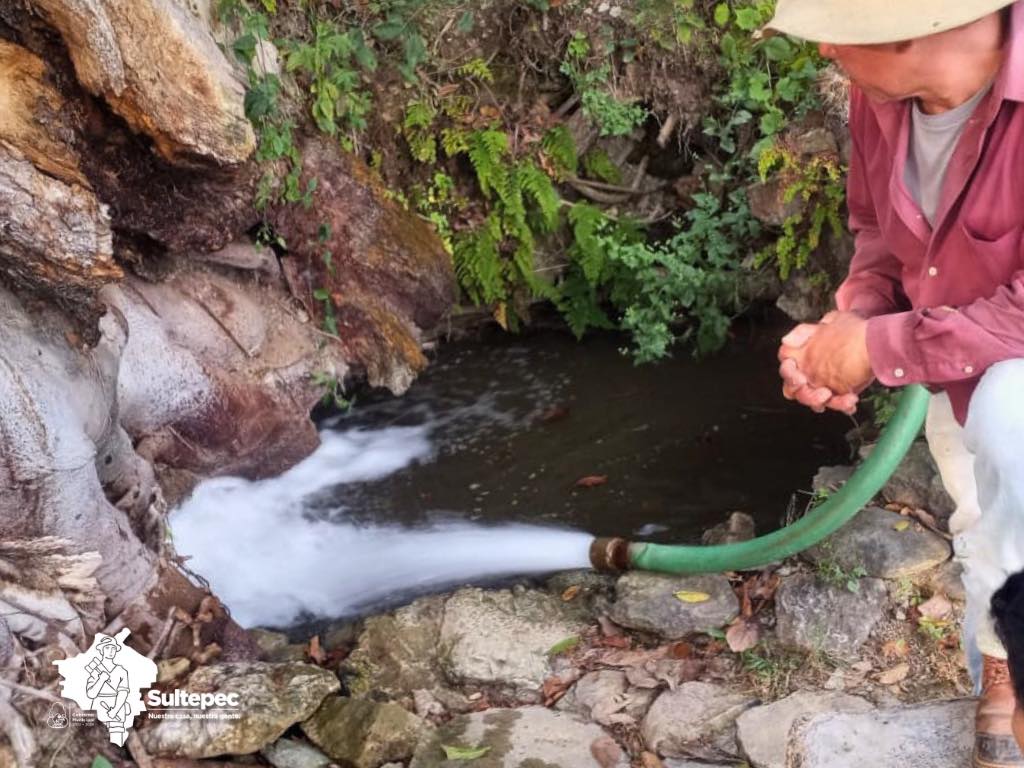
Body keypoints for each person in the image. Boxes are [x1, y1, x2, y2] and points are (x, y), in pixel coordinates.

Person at [763, 1, 1024, 766]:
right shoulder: (877, 95)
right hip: (955, 376)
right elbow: (878, 232)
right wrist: (844, 330)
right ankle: (1000, 677)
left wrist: (878, 348)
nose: (827, 56)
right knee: (984, 525)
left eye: (833, 40)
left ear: (900, 32)